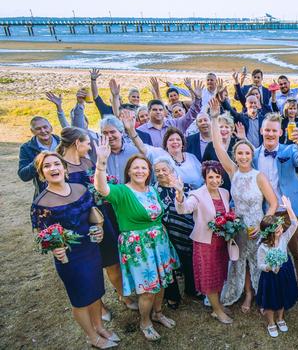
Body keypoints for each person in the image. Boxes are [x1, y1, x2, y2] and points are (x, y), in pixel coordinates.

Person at [30, 152, 119, 349]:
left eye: (56, 164)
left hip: (91, 250)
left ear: (64, 168)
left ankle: (100, 327)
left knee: (96, 293)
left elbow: (93, 215)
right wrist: (54, 249)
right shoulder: (41, 203)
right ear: (42, 173)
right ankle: (92, 337)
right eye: (47, 166)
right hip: (70, 258)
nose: (53, 168)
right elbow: (41, 233)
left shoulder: (81, 189)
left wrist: (99, 230)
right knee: (81, 299)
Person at [93, 141, 178, 342]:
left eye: (144, 168)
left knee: (162, 282)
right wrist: (101, 163)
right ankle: (145, 322)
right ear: (129, 171)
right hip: (138, 247)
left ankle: (158, 313)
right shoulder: (121, 192)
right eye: (136, 167)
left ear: (149, 172)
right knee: (148, 289)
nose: (140, 171)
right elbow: (101, 188)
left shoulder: (152, 190)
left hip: (159, 243)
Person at [56, 127, 130, 316]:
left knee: (112, 259)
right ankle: (100, 305)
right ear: (76, 143)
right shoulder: (58, 168)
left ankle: (123, 295)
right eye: (87, 143)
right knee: (91, 266)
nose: (89, 147)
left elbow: (98, 183)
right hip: (78, 223)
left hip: (100, 217)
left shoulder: (87, 161)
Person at [209, 112, 278, 312]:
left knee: (258, 263)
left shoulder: (259, 177)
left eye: (247, 153)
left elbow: (272, 204)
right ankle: (247, 294)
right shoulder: (233, 172)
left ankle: (262, 295)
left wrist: (261, 225)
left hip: (257, 227)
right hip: (238, 228)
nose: (244, 156)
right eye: (240, 153)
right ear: (235, 156)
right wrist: (214, 119)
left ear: (252, 155)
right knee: (241, 263)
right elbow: (217, 146)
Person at [253, 112, 298, 304]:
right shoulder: (254, 154)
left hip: (290, 210)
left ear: (280, 132)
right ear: (262, 131)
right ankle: (272, 286)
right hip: (267, 212)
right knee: (269, 249)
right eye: (267, 130)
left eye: (274, 130)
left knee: (297, 249)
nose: (270, 134)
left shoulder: (288, 150)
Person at [174, 161, 233, 324]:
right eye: (210, 177)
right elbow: (184, 208)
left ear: (221, 178)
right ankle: (217, 310)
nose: (214, 180)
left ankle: (218, 305)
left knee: (220, 274)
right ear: (204, 178)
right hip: (205, 243)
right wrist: (180, 194)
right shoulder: (196, 194)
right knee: (210, 277)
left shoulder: (225, 192)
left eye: (217, 176)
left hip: (222, 241)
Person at [153, 157, 199, 308]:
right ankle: (172, 295)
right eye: (157, 171)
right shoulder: (153, 192)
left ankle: (192, 289)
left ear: (172, 171)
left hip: (187, 230)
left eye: (164, 170)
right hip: (165, 233)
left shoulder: (185, 187)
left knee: (189, 261)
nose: (160, 173)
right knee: (169, 265)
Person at [256, 196, 298, 338]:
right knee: (270, 299)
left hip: (284, 271)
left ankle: (281, 318)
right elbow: (260, 264)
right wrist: (268, 267)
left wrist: (289, 208)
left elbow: (294, 224)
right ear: (268, 233)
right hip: (270, 276)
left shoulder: (284, 238)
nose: (280, 232)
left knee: (282, 295)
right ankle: (271, 322)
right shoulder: (263, 247)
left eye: (280, 228)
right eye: (277, 231)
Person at [134, 79, 203, 148]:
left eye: (160, 110)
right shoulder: (141, 130)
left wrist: (198, 98)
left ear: (164, 112)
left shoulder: (175, 124)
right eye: (154, 110)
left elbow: (191, 114)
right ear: (149, 112)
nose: (158, 112)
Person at [18, 116, 60, 197]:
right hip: (44, 194)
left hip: (68, 191)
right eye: (38, 129)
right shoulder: (26, 148)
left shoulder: (64, 143)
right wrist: (38, 161)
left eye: (45, 127)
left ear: (51, 128)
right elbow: (23, 176)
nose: (43, 131)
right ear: (32, 131)